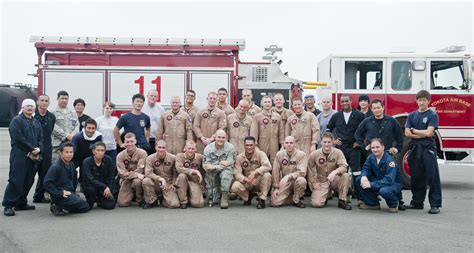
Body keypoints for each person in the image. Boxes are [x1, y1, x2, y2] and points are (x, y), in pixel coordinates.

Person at [355, 99, 405, 210]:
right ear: (371, 109)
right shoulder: (367, 121)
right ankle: (372, 202)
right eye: (374, 108)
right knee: (364, 177)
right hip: (372, 154)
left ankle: (398, 202)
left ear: (383, 108)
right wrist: (364, 146)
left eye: (379, 107)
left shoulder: (392, 121)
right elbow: (358, 134)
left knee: (392, 178)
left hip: (388, 154)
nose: (377, 110)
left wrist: (397, 148)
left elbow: (400, 137)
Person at [403, 90, 442, 214]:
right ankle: (417, 202)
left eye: (424, 100)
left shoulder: (432, 115)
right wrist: (421, 133)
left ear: (428, 101)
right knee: (416, 177)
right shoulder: (412, 115)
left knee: (432, 176)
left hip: (428, 149)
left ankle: (435, 204)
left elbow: (429, 133)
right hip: (414, 149)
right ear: (417, 101)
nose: (422, 102)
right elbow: (407, 133)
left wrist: (414, 130)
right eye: (419, 100)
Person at [3, 99, 43, 216]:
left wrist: (39, 149)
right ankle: (8, 205)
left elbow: (41, 138)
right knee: (16, 180)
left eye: (32, 106)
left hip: (33, 156)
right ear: (23, 108)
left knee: (28, 179)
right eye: (27, 106)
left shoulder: (36, 122)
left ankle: (21, 202)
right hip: (19, 155)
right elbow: (18, 138)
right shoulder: (16, 121)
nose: (30, 108)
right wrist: (32, 148)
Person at [326, 94, 365, 198]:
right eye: (342, 102)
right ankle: (340, 191)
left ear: (351, 101)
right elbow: (328, 129)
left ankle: (358, 193)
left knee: (356, 172)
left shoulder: (360, 115)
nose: (344, 103)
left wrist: (359, 142)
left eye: (346, 101)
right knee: (340, 171)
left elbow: (365, 130)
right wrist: (334, 139)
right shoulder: (336, 116)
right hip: (341, 148)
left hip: (354, 148)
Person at [356, 138, 403, 213]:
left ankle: (394, 204)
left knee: (384, 191)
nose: (375, 150)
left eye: (377, 147)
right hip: (379, 180)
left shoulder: (390, 160)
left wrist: (371, 184)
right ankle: (373, 204)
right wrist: (364, 176)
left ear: (383, 147)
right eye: (373, 148)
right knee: (359, 179)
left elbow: (389, 180)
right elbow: (366, 168)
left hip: (393, 183)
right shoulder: (371, 157)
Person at [307, 132, 352, 210]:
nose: (326, 144)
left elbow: (344, 167)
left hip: (334, 179)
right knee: (316, 204)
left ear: (333, 142)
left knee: (345, 176)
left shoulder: (338, 152)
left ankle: (342, 200)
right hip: (322, 181)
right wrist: (313, 182)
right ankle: (327, 194)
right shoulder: (314, 154)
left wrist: (334, 172)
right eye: (324, 142)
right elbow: (309, 169)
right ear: (321, 142)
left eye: (329, 142)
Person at [43, 142, 90, 216]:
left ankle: (61, 206)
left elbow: (74, 180)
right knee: (84, 206)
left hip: (69, 192)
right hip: (60, 194)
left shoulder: (71, 164)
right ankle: (58, 205)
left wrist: (73, 192)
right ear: (61, 153)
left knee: (85, 206)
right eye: (66, 152)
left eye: (71, 152)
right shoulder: (55, 167)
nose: (69, 154)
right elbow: (47, 183)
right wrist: (59, 193)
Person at [231, 136, 272, 209]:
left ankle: (262, 199)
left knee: (267, 175)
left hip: (258, 181)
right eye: (247, 145)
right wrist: (246, 179)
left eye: (251, 145)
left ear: (255, 145)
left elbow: (268, 166)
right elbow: (237, 173)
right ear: (244, 145)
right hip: (247, 182)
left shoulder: (261, 154)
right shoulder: (239, 157)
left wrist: (256, 173)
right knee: (235, 186)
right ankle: (247, 196)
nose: (249, 147)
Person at [271, 136, 308, 208]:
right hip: (284, 183)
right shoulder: (279, 154)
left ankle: (296, 200)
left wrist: (288, 176)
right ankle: (291, 197)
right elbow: (275, 171)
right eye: (287, 143)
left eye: (291, 143)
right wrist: (276, 187)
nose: (289, 145)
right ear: (284, 144)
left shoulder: (301, 155)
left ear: (295, 144)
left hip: (295, 181)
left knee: (302, 180)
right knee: (274, 203)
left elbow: (302, 172)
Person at [203, 129, 235, 208]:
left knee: (226, 174)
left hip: (223, 171)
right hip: (212, 173)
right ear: (215, 137)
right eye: (219, 137)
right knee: (213, 201)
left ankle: (224, 195)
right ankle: (215, 193)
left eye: (223, 137)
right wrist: (220, 164)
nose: (221, 139)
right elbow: (206, 165)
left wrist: (214, 166)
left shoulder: (230, 147)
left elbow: (230, 163)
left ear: (226, 138)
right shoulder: (208, 148)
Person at [142, 140, 180, 209]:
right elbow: (148, 173)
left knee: (174, 204)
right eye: (159, 147)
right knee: (146, 180)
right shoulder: (150, 158)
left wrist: (174, 184)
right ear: (155, 147)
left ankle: (163, 199)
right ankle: (153, 201)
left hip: (168, 184)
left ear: (166, 148)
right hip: (156, 183)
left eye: (163, 147)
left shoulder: (173, 158)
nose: (161, 149)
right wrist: (160, 179)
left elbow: (176, 173)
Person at [33, 94, 56, 204]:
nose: (44, 103)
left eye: (46, 101)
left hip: (47, 147)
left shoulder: (51, 116)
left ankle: (38, 196)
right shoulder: (32, 115)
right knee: (29, 174)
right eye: (42, 100)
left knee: (44, 173)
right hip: (33, 148)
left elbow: (50, 130)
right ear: (37, 102)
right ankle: (20, 199)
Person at [116, 133, 148, 207]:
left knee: (137, 181)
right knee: (122, 203)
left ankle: (140, 199)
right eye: (127, 142)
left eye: (132, 141)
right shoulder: (120, 156)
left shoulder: (142, 153)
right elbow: (122, 173)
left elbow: (141, 170)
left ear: (135, 141)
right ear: (124, 142)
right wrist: (135, 174)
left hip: (139, 179)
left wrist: (131, 175)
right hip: (127, 179)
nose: (129, 144)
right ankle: (131, 196)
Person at [82, 142, 115, 210]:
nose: (100, 152)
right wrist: (105, 186)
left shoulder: (108, 160)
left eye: (102, 150)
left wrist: (109, 189)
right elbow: (91, 179)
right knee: (88, 205)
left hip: (103, 188)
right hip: (91, 186)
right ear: (93, 151)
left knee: (110, 205)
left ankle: (100, 200)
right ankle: (91, 200)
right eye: (98, 150)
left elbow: (112, 176)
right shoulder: (87, 161)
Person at [250, 96, 284, 162]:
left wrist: (282, 144)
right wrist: (255, 145)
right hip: (261, 144)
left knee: (274, 162)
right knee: (262, 162)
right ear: (262, 103)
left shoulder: (277, 117)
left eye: (269, 102)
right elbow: (254, 132)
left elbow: (281, 132)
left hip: (274, 144)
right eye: (265, 102)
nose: (267, 104)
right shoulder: (257, 117)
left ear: (271, 103)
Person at [72, 119, 102, 187]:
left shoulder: (98, 136)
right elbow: (73, 150)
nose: (90, 130)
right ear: (84, 128)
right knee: (71, 172)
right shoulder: (78, 136)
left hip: (88, 159)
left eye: (93, 128)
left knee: (86, 177)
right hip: (76, 157)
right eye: (88, 128)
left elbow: (98, 150)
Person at [175, 140, 205, 208]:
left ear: (195, 149)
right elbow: (179, 169)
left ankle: (189, 196)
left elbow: (204, 170)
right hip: (182, 181)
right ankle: (183, 201)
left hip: (194, 182)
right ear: (185, 148)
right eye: (189, 148)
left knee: (198, 204)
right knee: (182, 175)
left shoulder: (200, 157)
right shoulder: (179, 156)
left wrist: (203, 184)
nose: (190, 150)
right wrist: (194, 171)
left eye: (192, 149)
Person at [52, 90, 79, 162]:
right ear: (57, 99)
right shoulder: (52, 113)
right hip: (56, 146)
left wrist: (73, 136)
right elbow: (53, 127)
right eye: (62, 98)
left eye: (66, 99)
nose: (64, 100)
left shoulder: (73, 113)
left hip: (69, 145)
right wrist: (66, 135)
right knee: (56, 166)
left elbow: (77, 125)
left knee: (68, 167)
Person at [95, 101, 119, 169]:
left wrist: (117, 140)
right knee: (100, 166)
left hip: (112, 148)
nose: (109, 110)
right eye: (107, 108)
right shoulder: (98, 120)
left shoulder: (116, 120)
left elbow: (119, 132)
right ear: (103, 108)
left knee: (112, 167)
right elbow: (94, 133)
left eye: (111, 108)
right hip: (101, 148)